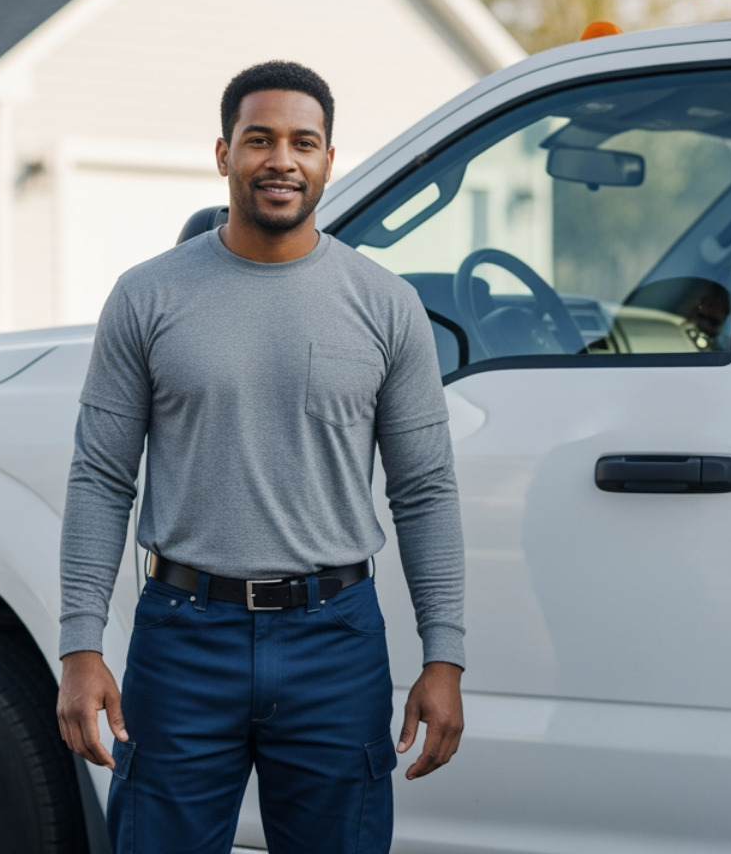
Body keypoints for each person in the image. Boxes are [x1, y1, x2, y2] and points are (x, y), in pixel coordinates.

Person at [55, 60, 466, 854]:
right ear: (223, 155)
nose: (282, 159)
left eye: (303, 141)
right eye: (259, 139)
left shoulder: (386, 306)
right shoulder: (148, 296)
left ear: (328, 161)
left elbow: (424, 489)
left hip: (335, 643)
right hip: (182, 641)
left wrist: (444, 656)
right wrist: (80, 648)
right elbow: (102, 477)